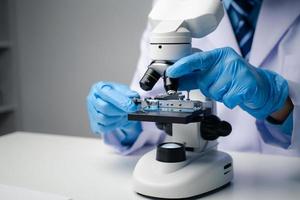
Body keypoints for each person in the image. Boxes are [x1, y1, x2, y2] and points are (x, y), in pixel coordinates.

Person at [87, 0, 300, 156]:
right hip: (202, 159)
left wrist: (279, 103)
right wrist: (124, 122)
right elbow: (148, 105)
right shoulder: (171, 8)